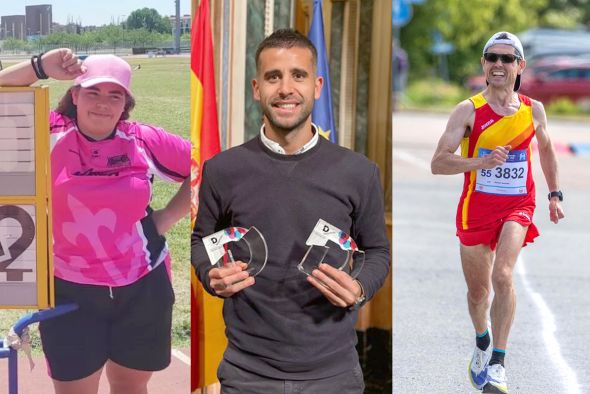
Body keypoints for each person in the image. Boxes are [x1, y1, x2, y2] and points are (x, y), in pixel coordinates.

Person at [191, 29, 390, 393]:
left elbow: (376, 251)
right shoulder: (222, 170)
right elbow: (202, 241)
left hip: (334, 374)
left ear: (316, 86)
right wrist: (210, 274)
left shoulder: (359, 172)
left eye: (298, 75)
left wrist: (360, 287)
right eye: (273, 77)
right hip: (246, 373)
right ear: (256, 88)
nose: (285, 88)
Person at [0, 49, 190, 394]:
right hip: (68, 287)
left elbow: (208, 165)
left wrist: (165, 218)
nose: (103, 103)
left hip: (142, 286)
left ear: (126, 103)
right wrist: (39, 66)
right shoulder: (48, 131)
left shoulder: (143, 140)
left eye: (114, 95)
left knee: (130, 387)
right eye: (93, 92)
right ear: (75, 95)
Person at [431, 32, 565, 393]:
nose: (499, 65)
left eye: (508, 59)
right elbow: (438, 164)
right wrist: (482, 161)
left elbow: (548, 151)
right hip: (475, 210)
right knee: (478, 294)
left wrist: (554, 194)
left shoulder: (533, 110)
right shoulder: (468, 110)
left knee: (504, 275)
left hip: (518, 206)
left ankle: (499, 364)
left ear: (520, 66)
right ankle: (481, 342)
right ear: (483, 64)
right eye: (492, 57)